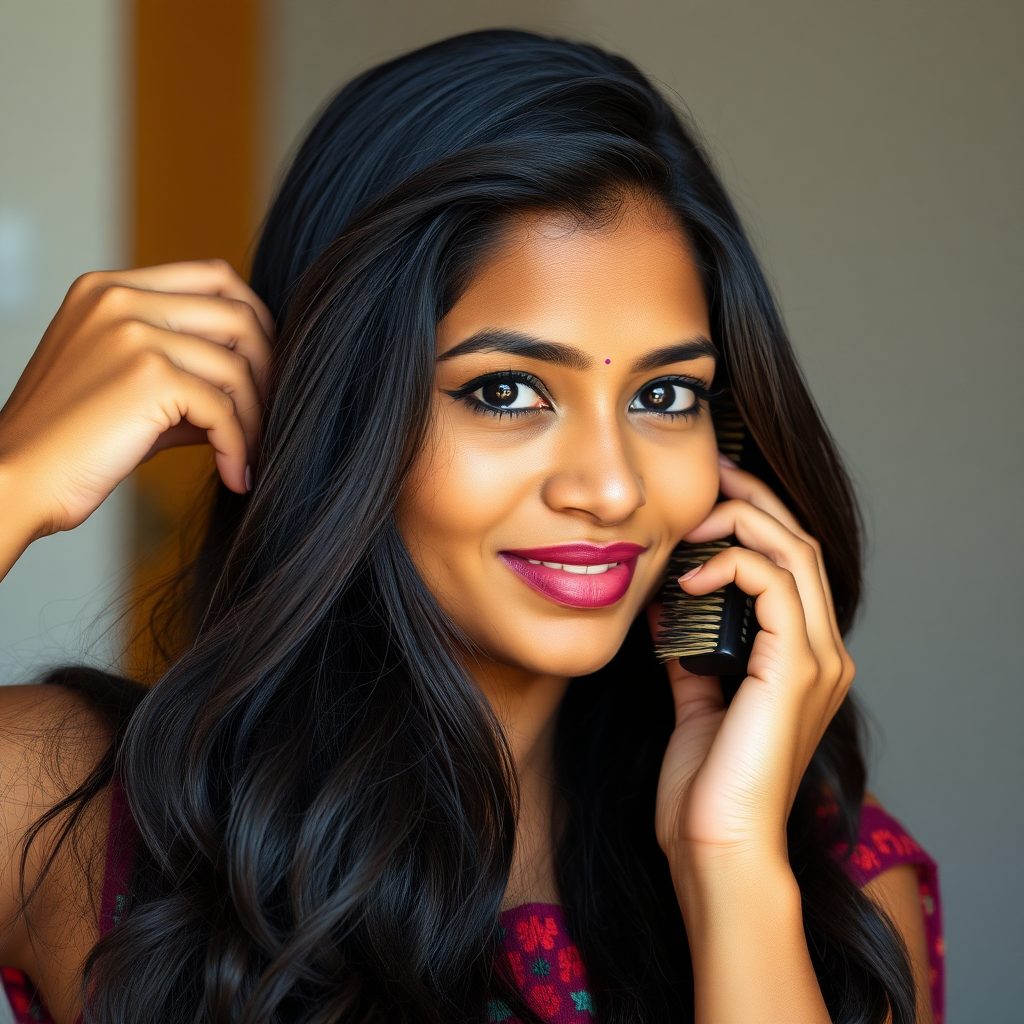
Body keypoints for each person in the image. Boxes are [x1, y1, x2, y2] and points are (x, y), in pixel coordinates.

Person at [0, 30, 941, 1024]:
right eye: (505, 389)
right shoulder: (70, 808)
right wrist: (13, 478)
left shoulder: (828, 891)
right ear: (344, 413)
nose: (611, 487)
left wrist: (729, 871)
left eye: (665, 394)